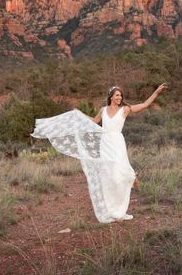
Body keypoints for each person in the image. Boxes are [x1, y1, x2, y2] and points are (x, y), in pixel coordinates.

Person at [31, 83, 166, 223]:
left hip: (117, 142)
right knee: (108, 174)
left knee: (122, 170)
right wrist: (81, 115)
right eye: (117, 95)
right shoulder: (103, 110)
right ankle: (111, 209)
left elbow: (144, 105)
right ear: (111, 96)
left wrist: (156, 93)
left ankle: (130, 182)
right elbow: (95, 121)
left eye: (121, 95)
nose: (120, 97)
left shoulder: (125, 109)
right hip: (105, 143)